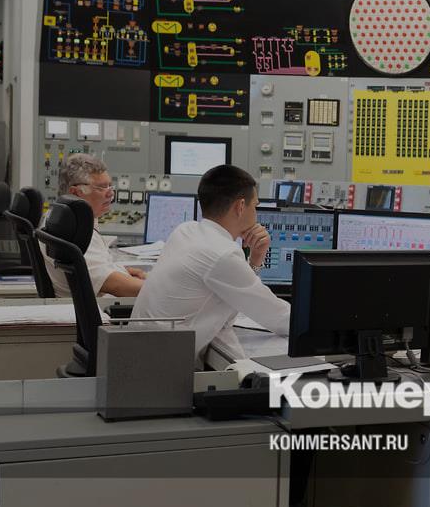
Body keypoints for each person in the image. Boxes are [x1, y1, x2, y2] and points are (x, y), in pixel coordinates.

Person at [131, 164, 289, 366]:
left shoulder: (186, 230)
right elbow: (277, 316)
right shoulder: (222, 254)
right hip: (162, 369)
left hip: (137, 355)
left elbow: (236, 302)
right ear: (240, 206)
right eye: (255, 206)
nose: (256, 213)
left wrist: (256, 259)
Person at [44, 154, 146, 297]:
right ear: (75, 192)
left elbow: (95, 269)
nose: (111, 193)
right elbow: (115, 285)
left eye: (110, 186)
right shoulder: (73, 229)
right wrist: (161, 287)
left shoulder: (60, 217)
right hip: (96, 307)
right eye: (102, 187)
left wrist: (121, 271)